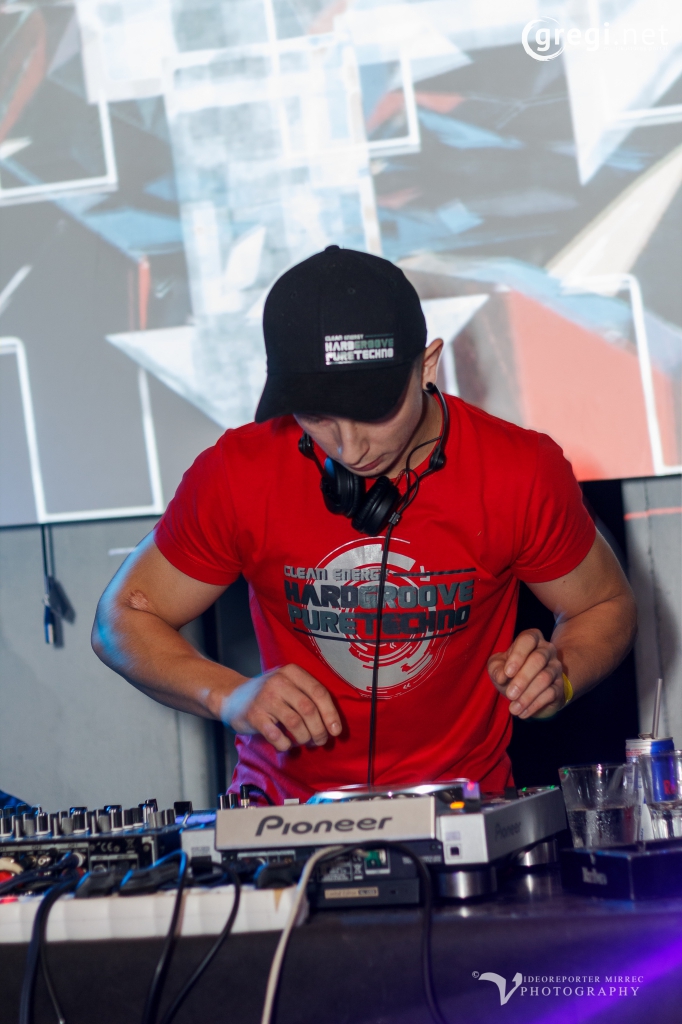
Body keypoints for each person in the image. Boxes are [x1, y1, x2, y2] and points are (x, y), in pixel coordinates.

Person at [92, 247, 637, 803]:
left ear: (427, 366)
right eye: (317, 416)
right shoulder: (240, 473)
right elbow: (123, 618)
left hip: (463, 808)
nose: (350, 449)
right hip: (283, 811)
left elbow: (603, 604)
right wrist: (227, 695)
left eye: (373, 411)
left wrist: (560, 672)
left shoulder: (518, 471)